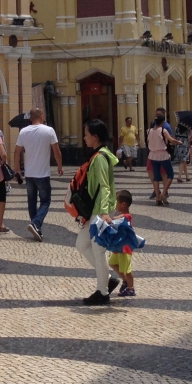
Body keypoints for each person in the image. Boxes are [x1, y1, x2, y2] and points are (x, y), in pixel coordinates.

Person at [71, 119, 120, 305]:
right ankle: (108, 279)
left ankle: (102, 292)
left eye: (86, 134)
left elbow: (104, 186)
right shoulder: (99, 155)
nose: (84, 138)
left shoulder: (99, 158)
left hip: (100, 209)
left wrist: (104, 212)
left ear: (95, 136)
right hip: (95, 208)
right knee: (82, 244)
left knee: (98, 250)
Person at [14, 107, 63, 242]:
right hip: (43, 173)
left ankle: (36, 227)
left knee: (32, 201)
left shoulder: (23, 131)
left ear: (30, 118)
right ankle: (36, 223)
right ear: (41, 117)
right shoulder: (49, 130)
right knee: (45, 201)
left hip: (29, 173)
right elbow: (57, 151)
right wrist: (59, 166)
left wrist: (17, 169)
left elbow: (17, 152)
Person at [108, 189, 137, 297]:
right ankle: (125, 280)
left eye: (116, 202)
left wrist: (111, 219)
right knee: (112, 263)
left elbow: (118, 218)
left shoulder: (127, 216)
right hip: (118, 247)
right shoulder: (122, 215)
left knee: (127, 269)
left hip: (125, 248)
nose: (114, 204)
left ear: (123, 204)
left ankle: (131, 288)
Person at [145, 116, 177, 205]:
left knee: (156, 176)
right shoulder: (163, 130)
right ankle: (163, 193)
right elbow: (171, 140)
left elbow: (148, 142)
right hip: (163, 155)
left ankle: (157, 197)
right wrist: (178, 142)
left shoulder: (149, 131)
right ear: (163, 122)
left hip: (152, 155)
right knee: (170, 174)